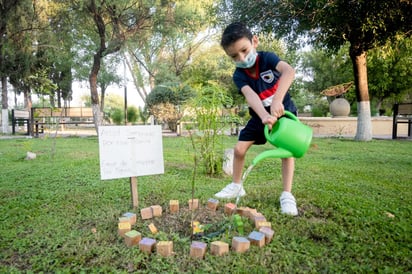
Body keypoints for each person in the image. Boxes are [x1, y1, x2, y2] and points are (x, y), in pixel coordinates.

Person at [214, 22, 298, 216]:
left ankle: (287, 194)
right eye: (234, 56)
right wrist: (264, 116)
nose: (241, 58)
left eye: (244, 50)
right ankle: (237, 185)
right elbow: (251, 97)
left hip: (284, 112)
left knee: (287, 151)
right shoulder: (238, 75)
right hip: (260, 115)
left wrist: (277, 101)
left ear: (254, 41)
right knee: (239, 149)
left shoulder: (268, 58)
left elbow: (289, 72)